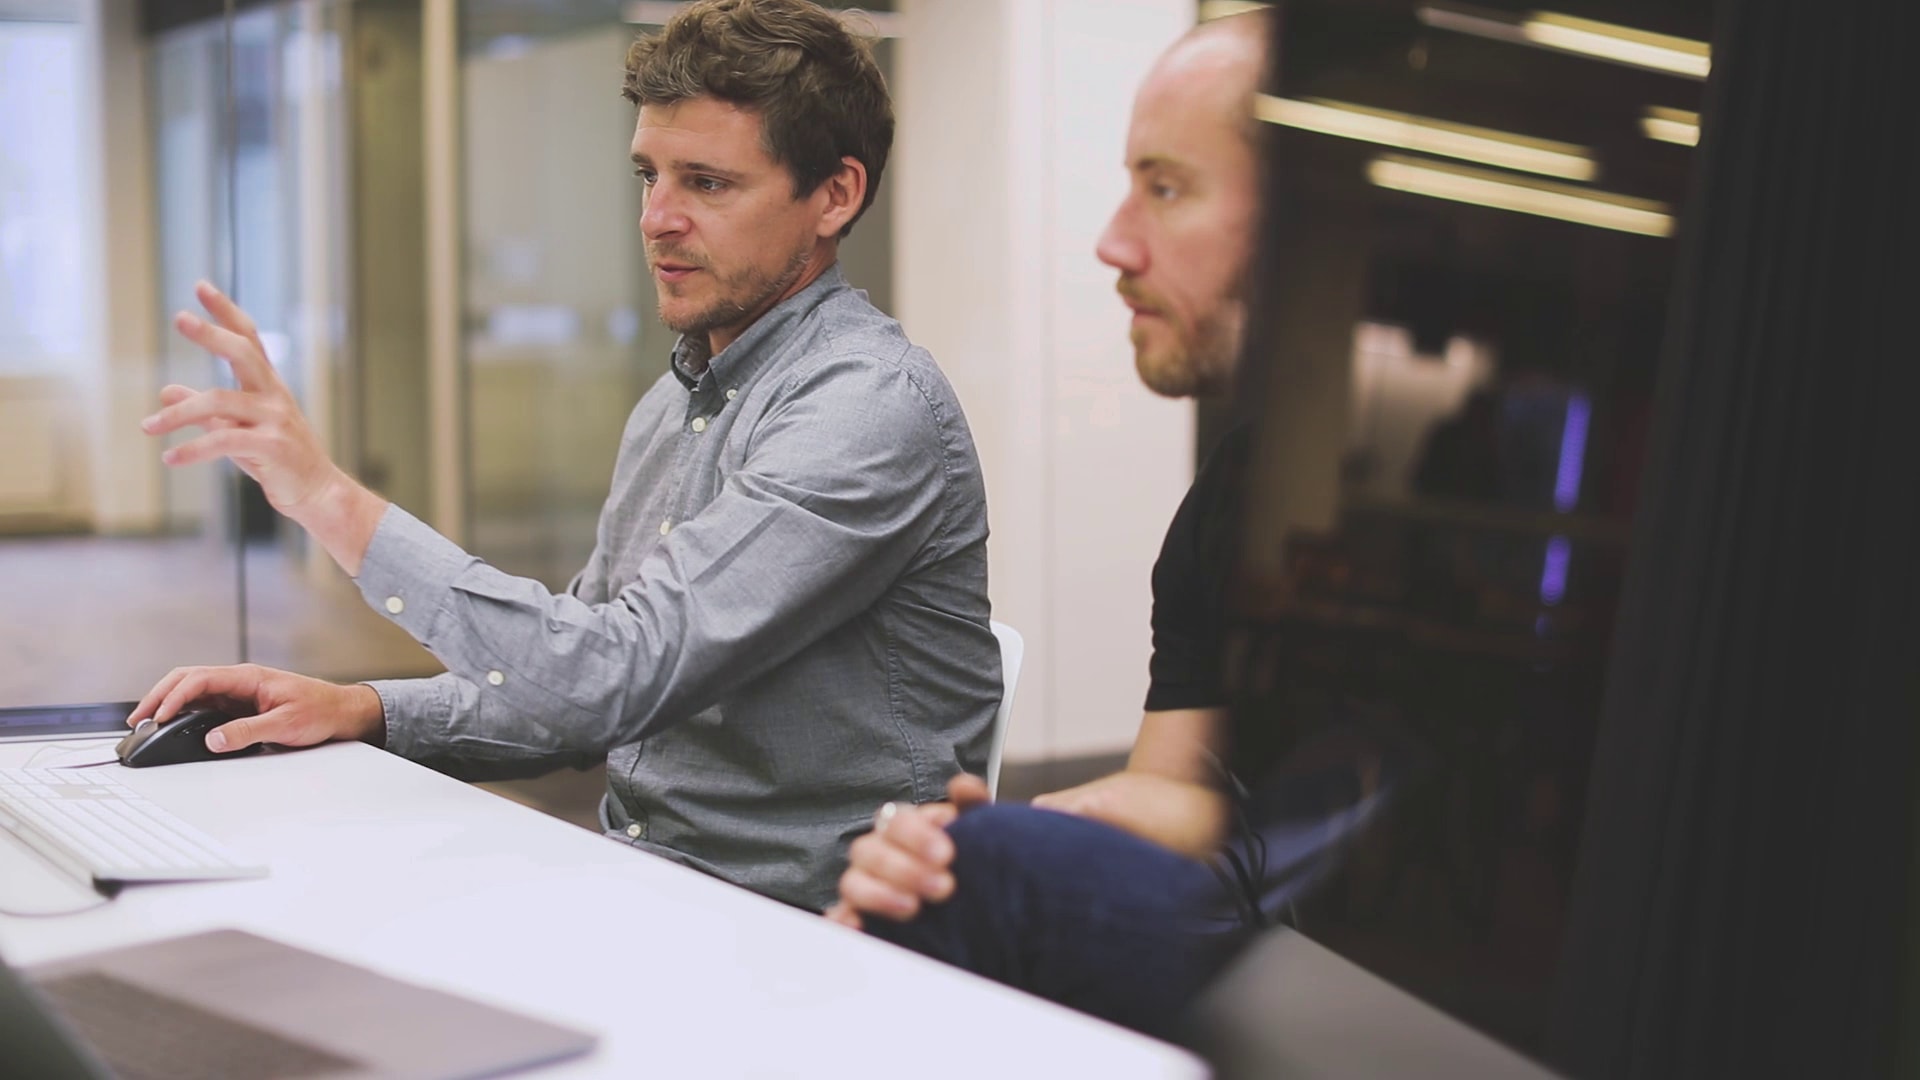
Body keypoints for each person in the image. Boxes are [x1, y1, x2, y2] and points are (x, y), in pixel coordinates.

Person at [130, 0, 999, 913]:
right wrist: (367, 710)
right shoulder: (680, 401)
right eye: (648, 175)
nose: (657, 218)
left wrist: (326, 497)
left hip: (816, 923)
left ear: (836, 195)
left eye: (707, 182)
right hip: (652, 878)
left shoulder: (865, 408)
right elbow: (566, 680)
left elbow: (605, 683)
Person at [823, 11, 1384, 1036]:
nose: (1113, 240)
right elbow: (1181, 790)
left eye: (1165, 188)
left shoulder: (1375, 498)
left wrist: (1008, 866)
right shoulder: (1228, 502)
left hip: (1379, 965)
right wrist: (1006, 834)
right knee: (946, 870)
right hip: (1282, 906)